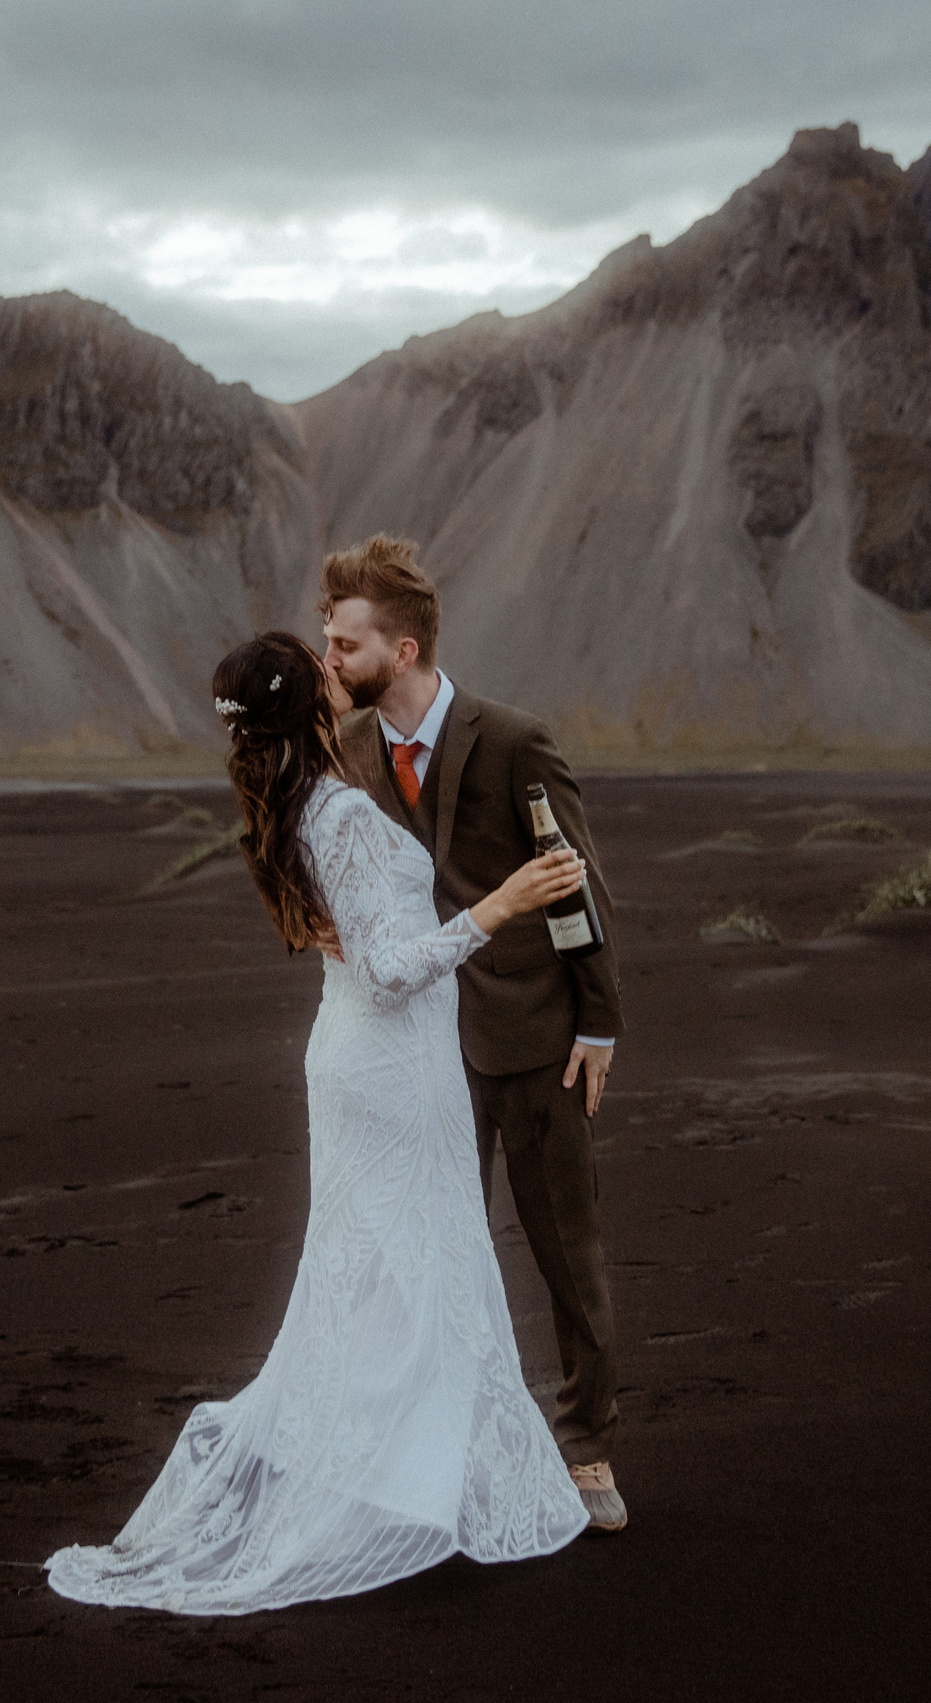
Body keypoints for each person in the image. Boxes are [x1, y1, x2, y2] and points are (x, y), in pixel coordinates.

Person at [44, 630, 592, 1616]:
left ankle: (405, 1471)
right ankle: (409, 1482)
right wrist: (505, 902)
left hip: (364, 1066)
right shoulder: (333, 813)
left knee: (390, 1269)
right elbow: (386, 972)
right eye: (326, 667)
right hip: (387, 1069)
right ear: (308, 708)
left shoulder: (299, 804)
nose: (342, 674)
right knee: (417, 1262)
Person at [318, 536, 629, 1532]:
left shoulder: (514, 740)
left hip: (533, 1037)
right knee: (424, 1262)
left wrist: (600, 1021)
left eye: (344, 644)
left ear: (401, 650)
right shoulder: (351, 755)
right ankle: (435, 1461)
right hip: (414, 1047)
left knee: (563, 1252)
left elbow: (577, 883)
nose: (330, 658)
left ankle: (586, 1451)